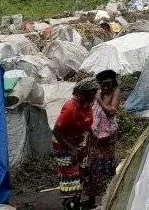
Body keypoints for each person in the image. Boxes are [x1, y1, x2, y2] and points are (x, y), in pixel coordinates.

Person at [53, 79, 99, 210]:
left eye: (94, 93)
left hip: (78, 141)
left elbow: (85, 121)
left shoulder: (87, 104)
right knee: (71, 176)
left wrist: (92, 133)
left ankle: (76, 201)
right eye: (92, 93)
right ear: (82, 94)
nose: (94, 96)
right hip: (63, 144)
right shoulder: (70, 108)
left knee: (83, 172)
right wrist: (71, 148)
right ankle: (70, 204)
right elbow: (56, 131)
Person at [84, 70, 122, 207]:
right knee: (92, 168)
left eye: (107, 84)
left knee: (106, 168)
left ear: (113, 83)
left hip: (107, 139)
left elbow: (111, 111)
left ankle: (107, 201)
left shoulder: (115, 92)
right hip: (94, 137)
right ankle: (91, 200)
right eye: (102, 84)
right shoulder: (97, 92)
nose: (105, 87)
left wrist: (99, 99)